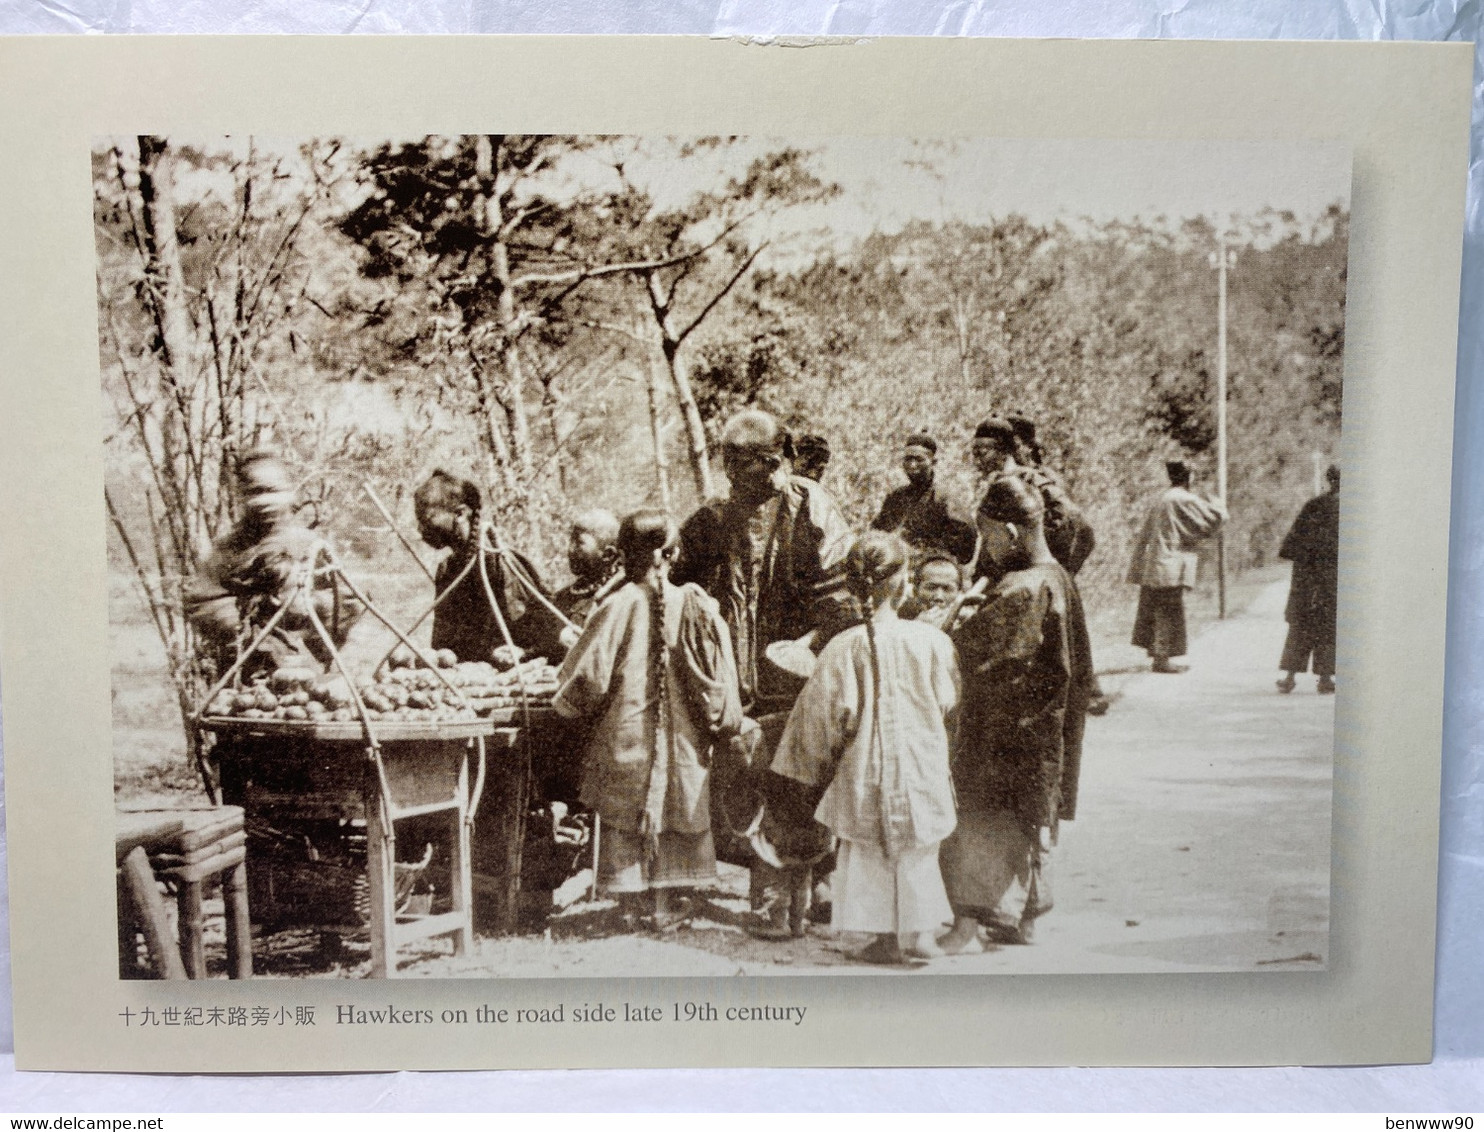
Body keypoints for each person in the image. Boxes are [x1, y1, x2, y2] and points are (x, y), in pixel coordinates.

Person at [771, 532, 960, 965]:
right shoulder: (932, 641)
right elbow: (949, 702)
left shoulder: (843, 647)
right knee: (917, 852)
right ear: (904, 583)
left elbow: (821, 721)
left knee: (870, 856)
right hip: (920, 765)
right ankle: (921, 935)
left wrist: (807, 772)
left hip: (865, 771)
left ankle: (888, 939)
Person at [551, 509, 746, 929]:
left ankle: (630, 905)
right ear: (673, 554)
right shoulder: (698, 605)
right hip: (686, 740)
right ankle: (668, 900)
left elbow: (585, 679)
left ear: (622, 555)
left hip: (627, 738)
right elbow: (723, 676)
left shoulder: (616, 606)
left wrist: (562, 702)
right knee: (679, 804)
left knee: (627, 808)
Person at [938, 474, 1094, 952]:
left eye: (986, 536)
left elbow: (974, 657)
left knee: (984, 819)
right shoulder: (1058, 577)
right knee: (1025, 820)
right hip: (1042, 734)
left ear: (1008, 531)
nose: (984, 547)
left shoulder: (1024, 590)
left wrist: (955, 623)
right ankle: (1024, 917)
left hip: (1007, 735)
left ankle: (966, 927)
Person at [673, 408, 854, 713]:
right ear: (733, 468)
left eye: (780, 461)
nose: (778, 474)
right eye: (766, 464)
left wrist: (806, 644)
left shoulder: (809, 505)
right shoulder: (709, 521)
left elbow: (843, 586)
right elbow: (675, 587)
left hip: (798, 679)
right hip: (727, 686)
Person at [186, 448, 363, 678]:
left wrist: (312, 607)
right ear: (242, 496)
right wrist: (248, 625)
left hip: (303, 666)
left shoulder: (308, 544)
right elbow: (203, 601)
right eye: (255, 492)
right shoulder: (229, 548)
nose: (264, 501)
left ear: (289, 493)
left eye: (273, 491)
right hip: (244, 665)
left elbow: (343, 602)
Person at [413, 470, 566, 664]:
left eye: (427, 519)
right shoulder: (447, 570)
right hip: (466, 676)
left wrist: (521, 652)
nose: (421, 530)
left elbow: (540, 631)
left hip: (513, 674)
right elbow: (444, 644)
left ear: (460, 513)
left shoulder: (500, 562)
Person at [1125, 459, 1227, 674]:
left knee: (1156, 609)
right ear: (1188, 477)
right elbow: (1216, 520)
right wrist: (1214, 500)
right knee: (1167, 610)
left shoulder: (1163, 498)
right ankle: (1161, 660)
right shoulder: (1183, 499)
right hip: (1169, 564)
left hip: (1155, 563)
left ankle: (1158, 656)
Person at [1277, 464, 1340, 694]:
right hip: (1334, 579)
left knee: (1301, 625)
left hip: (1308, 578)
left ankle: (1290, 677)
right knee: (1330, 626)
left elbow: (1290, 546)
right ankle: (1325, 678)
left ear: (1329, 480)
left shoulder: (1314, 505)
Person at [871, 433, 976, 564]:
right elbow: (877, 531)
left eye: (919, 459)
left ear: (933, 462)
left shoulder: (944, 499)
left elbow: (966, 542)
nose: (912, 465)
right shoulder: (896, 497)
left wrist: (927, 553)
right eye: (908, 459)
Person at [552, 508, 621, 627]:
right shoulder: (560, 598)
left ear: (608, 554)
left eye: (579, 543)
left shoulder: (616, 599)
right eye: (571, 541)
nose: (570, 550)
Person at [899, 551, 964, 630]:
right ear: (915, 591)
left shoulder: (967, 627)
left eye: (947, 589)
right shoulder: (897, 622)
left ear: (959, 593)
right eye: (931, 588)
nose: (938, 597)